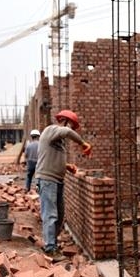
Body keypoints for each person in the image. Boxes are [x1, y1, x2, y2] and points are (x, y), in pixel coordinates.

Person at [35, 109, 92, 260]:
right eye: (72, 126)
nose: (72, 130)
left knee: (59, 216)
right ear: (65, 121)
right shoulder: (50, 130)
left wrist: (66, 166)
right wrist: (83, 143)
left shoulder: (57, 141)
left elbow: (49, 157)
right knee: (51, 214)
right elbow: (66, 131)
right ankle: (50, 248)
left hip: (56, 181)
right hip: (47, 180)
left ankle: (52, 243)